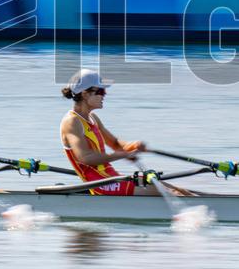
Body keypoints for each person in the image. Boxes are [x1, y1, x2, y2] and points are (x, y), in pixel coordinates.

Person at [59, 69, 194, 197]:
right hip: (99, 185)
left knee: (180, 190)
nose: (104, 95)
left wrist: (133, 146)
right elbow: (86, 158)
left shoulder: (93, 118)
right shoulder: (72, 122)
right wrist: (121, 155)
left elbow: (115, 143)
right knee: (170, 192)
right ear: (85, 93)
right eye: (100, 91)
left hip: (111, 178)